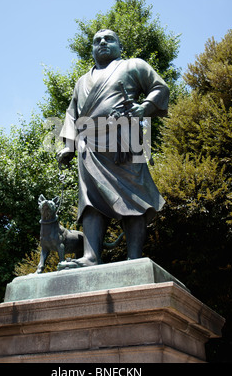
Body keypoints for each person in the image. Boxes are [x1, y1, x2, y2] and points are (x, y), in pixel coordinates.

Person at [57, 29, 169, 268]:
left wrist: (144, 107)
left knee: (134, 197)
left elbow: (160, 88)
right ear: (92, 49)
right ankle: (91, 257)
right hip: (89, 145)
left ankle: (134, 257)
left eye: (109, 39)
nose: (103, 43)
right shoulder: (81, 82)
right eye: (97, 41)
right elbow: (71, 113)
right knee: (91, 200)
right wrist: (68, 145)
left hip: (125, 138)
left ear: (120, 45)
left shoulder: (133, 65)